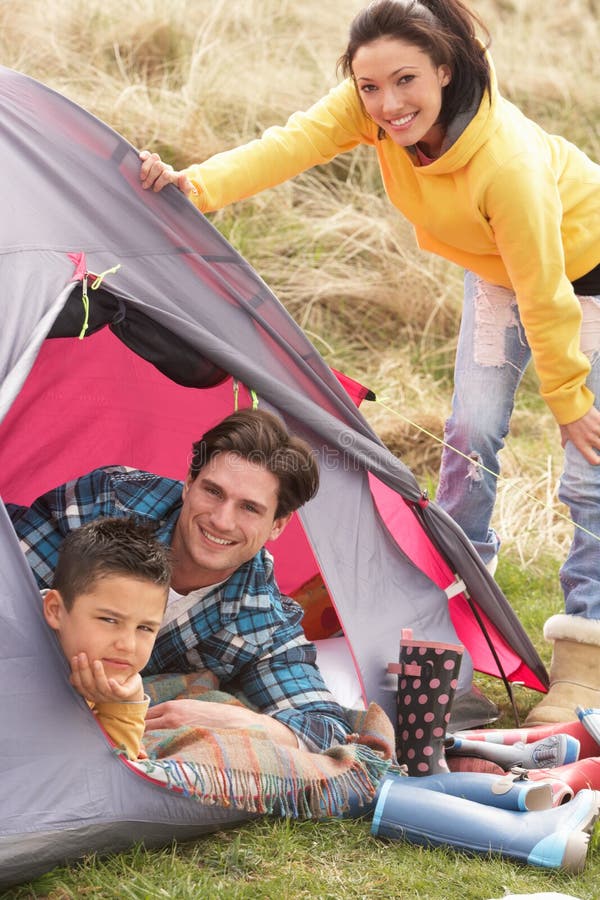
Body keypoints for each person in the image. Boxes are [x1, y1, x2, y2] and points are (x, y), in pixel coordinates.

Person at [138, 0, 600, 725]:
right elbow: (289, 145)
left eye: (406, 81)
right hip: (498, 273)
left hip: (586, 275)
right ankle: (454, 613)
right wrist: (197, 187)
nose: (387, 104)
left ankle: (587, 656)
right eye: (370, 87)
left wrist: (568, 400)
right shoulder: (374, 106)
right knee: (470, 434)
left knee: (590, 467)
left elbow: (547, 290)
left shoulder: (505, 163)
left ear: (446, 70)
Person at [9, 408, 352, 751]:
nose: (221, 520)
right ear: (189, 483)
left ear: (278, 524)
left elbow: (328, 731)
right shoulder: (109, 500)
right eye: (213, 492)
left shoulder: (263, 621)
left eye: (249, 508)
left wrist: (239, 722)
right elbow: (9, 586)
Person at [42, 516, 171, 760]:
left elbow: (108, 776)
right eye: (109, 620)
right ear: (55, 610)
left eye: (144, 628)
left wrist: (123, 708)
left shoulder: (122, 687)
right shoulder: (14, 660)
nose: (127, 645)